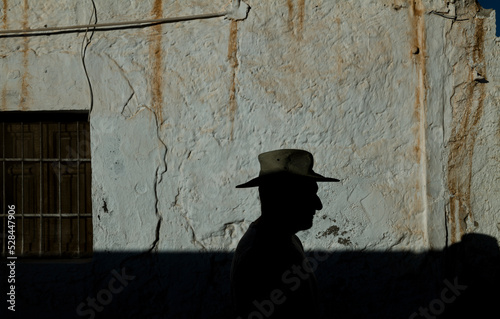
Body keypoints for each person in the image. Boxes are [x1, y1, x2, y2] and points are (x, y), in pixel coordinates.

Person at [231, 149, 340, 318]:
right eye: (309, 194)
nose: (318, 205)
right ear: (282, 197)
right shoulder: (262, 256)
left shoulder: (285, 240)